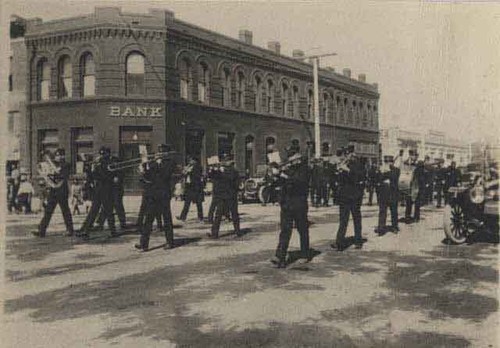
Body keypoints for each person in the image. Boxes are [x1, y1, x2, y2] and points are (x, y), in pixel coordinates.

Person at [270, 142, 311, 268]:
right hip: (287, 203)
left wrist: (284, 175)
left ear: (298, 156)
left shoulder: (304, 168)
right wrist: (276, 177)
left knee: (302, 229)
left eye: (292, 156)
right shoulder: (289, 168)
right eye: (289, 156)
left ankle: (305, 253)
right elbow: (283, 183)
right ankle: (280, 256)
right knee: (285, 230)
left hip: (299, 203)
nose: (289, 159)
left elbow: (300, 182)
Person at [135, 144, 176, 251]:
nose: (160, 154)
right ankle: (143, 244)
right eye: (159, 152)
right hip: (152, 194)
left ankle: (170, 242)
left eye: (162, 152)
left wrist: (156, 165)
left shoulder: (170, 163)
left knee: (166, 219)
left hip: (163, 194)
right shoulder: (153, 163)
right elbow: (149, 177)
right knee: (148, 219)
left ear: (166, 153)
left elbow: (164, 175)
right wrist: (144, 168)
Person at [331, 146, 366, 250]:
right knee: (343, 220)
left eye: (349, 154)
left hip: (355, 196)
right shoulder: (343, 164)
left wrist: (348, 170)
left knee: (356, 218)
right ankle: (339, 242)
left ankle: (358, 241)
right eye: (345, 154)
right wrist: (337, 172)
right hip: (344, 196)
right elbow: (338, 180)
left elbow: (360, 177)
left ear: (353, 154)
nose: (347, 156)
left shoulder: (358, 164)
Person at [34, 149, 74, 237]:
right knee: (48, 210)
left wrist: (50, 162)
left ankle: (70, 230)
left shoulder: (66, 165)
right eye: (56, 156)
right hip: (53, 190)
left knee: (65, 210)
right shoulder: (52, 165)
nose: (58, 157)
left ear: (63, 156)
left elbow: (59, 173)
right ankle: (42, 230)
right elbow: (48, 174)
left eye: (60, 155)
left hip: (62, 190)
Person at [78, 147, 116, 239]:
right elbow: (93, 176)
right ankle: (86, 231)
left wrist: (97, 166)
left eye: (104, 154)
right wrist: (87, 167)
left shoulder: (111, 164)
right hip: (98, 190)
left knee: (109, 211)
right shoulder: (98, 164)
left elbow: (105, 176)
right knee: (93, 211)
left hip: (107, 190)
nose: (101, 156)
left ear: (108, 154)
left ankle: (113, 231)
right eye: (101, 154)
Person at [207, 155, 241, 239]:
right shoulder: (220, 170)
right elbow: (212, 176)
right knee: (218, 215)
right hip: (222, 196)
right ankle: (214, 234)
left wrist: (223, 172)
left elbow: (231, 179)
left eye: (226, 161)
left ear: (230, 161)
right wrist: (212, 169)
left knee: (234, 214)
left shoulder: (234, 170)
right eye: (224, 160)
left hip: (231, 195)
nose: (224, 162)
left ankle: (238, 231)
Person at [374, 158, 400, 234]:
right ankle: (381, 228)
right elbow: (377, 179)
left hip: (393, 194)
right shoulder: (381, 170)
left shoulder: (396, 170)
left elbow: (394, 177)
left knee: (394, 211)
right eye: (386, 162)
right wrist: (381, 173)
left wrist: (385, 173)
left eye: (390, 162)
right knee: (382, 211)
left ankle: (394, 227)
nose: (388, 163)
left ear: (392, 162)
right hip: (383, 194)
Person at [177, 157, 204, 222]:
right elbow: (183, 174)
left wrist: (190, 172)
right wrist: (185, 171)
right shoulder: (189, 167)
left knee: (198, 203)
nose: (190, 162)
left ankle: (200, 217)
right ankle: (183, 216)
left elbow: (197, 176)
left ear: (194, 161)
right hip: (189, 187)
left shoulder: (198, 167)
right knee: (187, 203)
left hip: (196, 187)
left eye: (191, 160)